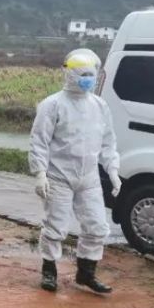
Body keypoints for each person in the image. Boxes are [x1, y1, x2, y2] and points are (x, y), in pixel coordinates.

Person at [29, 48, 121, 294]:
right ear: (69, 74)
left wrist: (112, 170)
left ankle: (86, 272)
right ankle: (49, 271)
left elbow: (108, 141)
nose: (87, 79)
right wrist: (40, 173)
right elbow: (39, 141)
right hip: (59, 175)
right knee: (56, 226)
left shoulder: (99, 106)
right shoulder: (53, 105)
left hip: (89, 177)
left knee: (97, 226)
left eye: (91, 74)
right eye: (83, 74)